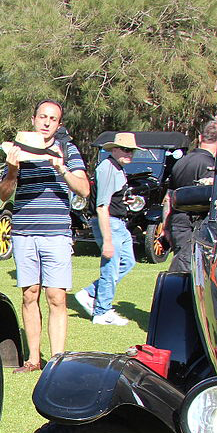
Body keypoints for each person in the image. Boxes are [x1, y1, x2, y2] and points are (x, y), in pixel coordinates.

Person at [0, 100, 92, 373]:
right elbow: (4, 194)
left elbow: (84, 190)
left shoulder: (67, 150)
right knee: (30, 294)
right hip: (25, 232)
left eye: (53, 118)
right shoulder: (18, 150)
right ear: (33, 119)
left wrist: (61, 167)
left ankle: (57, 361)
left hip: (56, 234)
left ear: (59, 124)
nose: (47, 122)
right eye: (43, 116)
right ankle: (33, 359)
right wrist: (13, 169)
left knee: (56, 297)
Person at [73, 132, 139, 325]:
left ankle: (90, 293)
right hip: (109, 222)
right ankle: (102, 311)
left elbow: (112, 198)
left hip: (118, 222)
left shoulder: (117, 168)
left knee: (127, 262)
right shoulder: (108, 168)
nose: (130, 154)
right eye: (126, 150)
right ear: (115, 149)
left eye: (132, 151)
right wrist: (108, 240)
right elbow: (102, 207)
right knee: (110, 267)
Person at [164, 119, 217, 274]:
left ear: (200, 138)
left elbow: (168, 197)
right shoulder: (210, 166)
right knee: (184, 270)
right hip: (193, 225)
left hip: (178, 222)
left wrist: (166, 226)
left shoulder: (181, 162)